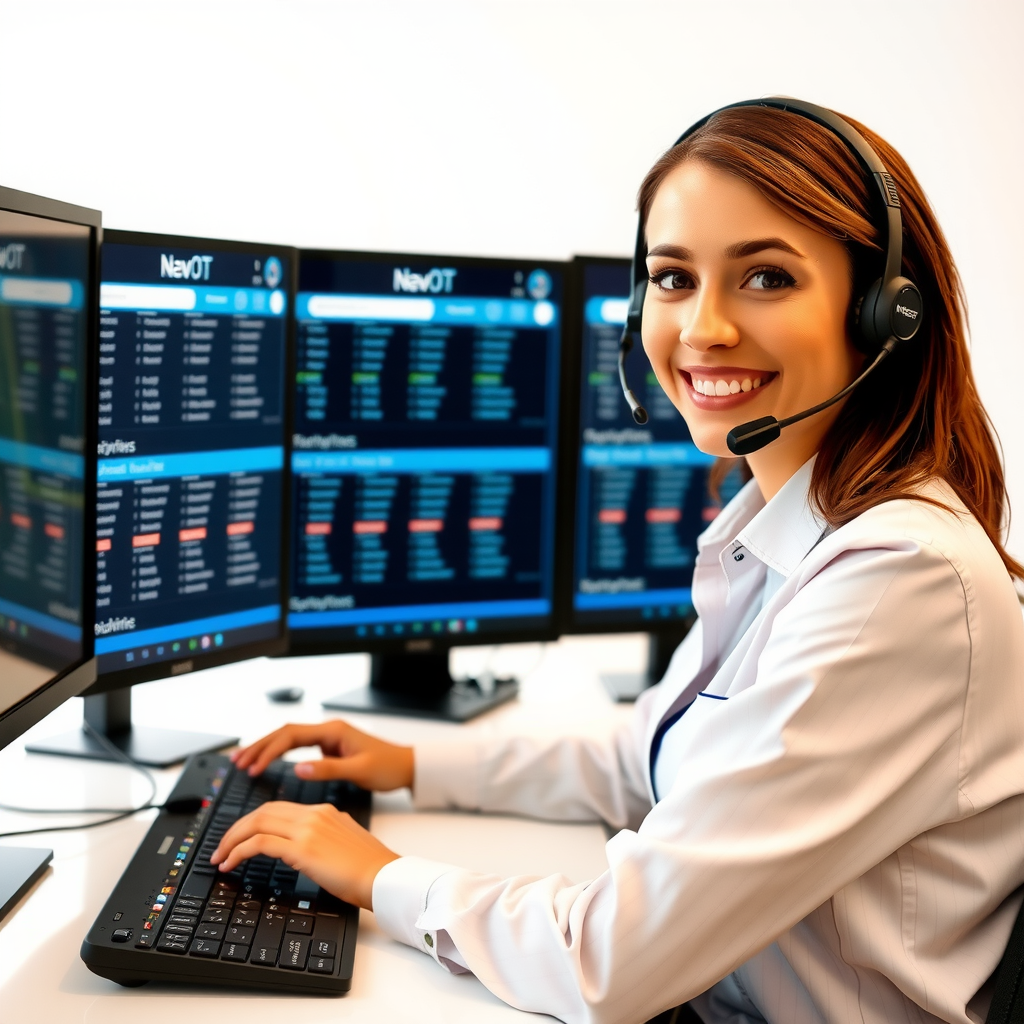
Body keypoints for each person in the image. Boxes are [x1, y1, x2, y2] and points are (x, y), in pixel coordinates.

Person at [212, 103, 1024, 1024]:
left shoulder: (897, 579)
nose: (704, 327)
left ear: (887, 312)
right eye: (673, 278)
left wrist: (385, 879)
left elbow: (612, 962)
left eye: (765, 276)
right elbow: (647, 761)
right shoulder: (790, 533)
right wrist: (412, 763)